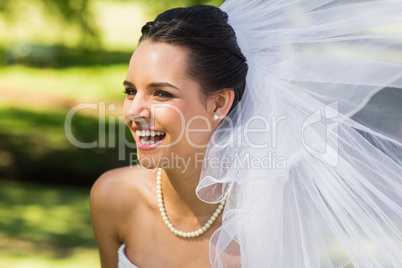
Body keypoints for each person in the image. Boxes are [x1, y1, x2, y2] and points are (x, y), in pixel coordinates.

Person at [90, 1, 402, 267]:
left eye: (161, 94)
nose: (134, 112)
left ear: (219, 103)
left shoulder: (267, 217)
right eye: (131, 91)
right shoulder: (113, 198)